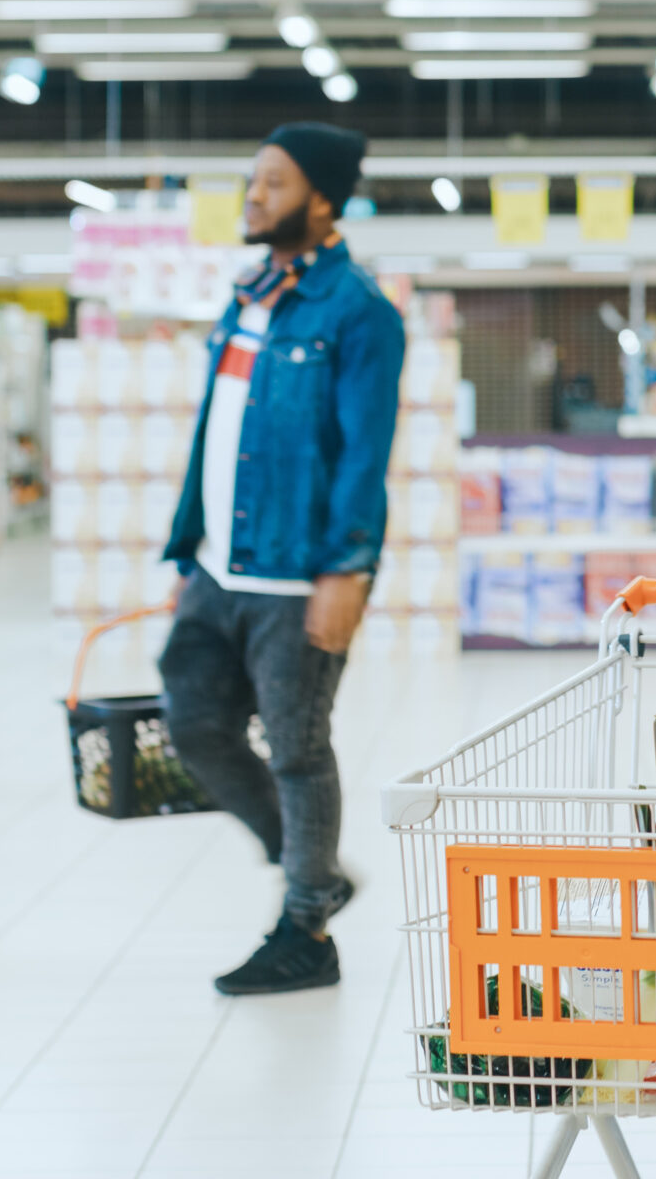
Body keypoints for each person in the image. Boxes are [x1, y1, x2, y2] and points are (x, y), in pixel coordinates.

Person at [157, 123, 406, 996]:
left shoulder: (361, 314)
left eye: (274, 182)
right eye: (252, 179)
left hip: (301, 575)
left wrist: (347, 569)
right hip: (218, 568)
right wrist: (192, 548)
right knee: (192, 723)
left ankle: (307, 927)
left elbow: (364, 455)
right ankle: (317, 867)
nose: (253, 195)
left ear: (323, 200)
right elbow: (218, 435)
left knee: (298, 748)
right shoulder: (249, 297)